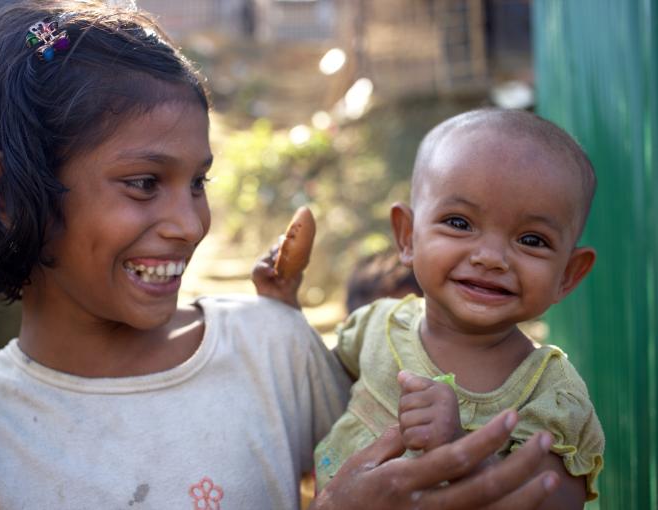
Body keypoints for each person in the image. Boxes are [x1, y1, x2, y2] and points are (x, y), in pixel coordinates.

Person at [0, 2, 564, 508]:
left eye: (198, 183)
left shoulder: (271, 346)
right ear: (10, 194)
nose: (189, 224)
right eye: (144, 183)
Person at [256, 109, 604, 509]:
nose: (490, 257)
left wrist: (461, 450)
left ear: (568, 275)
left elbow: (555, 501)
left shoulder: (550, 396)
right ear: (407, 236)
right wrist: (282, 306)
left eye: (531, 239)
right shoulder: (377, 325)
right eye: (459, 223)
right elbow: (320, 394)